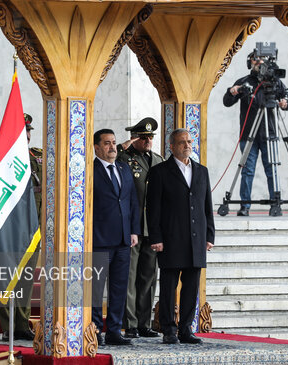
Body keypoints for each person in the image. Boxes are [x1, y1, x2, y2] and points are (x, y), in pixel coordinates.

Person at [0, 113, 42, 341]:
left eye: (28, 131)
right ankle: (9, 326)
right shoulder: (1, 155)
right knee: (7, 276)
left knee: (25, 278)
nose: (26, 136)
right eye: (21, 131)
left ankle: (22, 324)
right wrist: (2, 135)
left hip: (32, 228)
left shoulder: (38, 156)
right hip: (8, 225)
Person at [146, 129, 215, 344]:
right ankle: (168, 329)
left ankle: (186, 328)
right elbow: (153, 209)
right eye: (182, 142)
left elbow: (207, 206)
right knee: (168, 286)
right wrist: (155, 237)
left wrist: (209, 235)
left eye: (189, 141)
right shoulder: (160, 172)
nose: (187, 145)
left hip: (196, 239)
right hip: (170, 238)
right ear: (171, 146)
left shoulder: (201, 171)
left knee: (191, 286)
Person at [223, 48, 288, 216]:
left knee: (272, 169)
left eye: (262, 60)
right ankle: (244, 206)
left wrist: (285, 103)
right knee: (247, 170)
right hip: (248, 135)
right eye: (255, 59)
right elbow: (227, 101)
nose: (259, 63)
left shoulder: (275, 82)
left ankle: (275, 204)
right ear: (250, 62)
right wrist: (233, 91)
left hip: (270, 134)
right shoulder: (245, 81)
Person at [116, 117, 164, 339]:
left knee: (148, 277)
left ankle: (145, 323)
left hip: (152, 228)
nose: (148, 141)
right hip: (132, 227)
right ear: (135, 138)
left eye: (150, 137)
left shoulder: (158, 160)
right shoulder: (125, 158)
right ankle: (131, 323)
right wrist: (123, 145)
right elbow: (111, 158)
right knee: (129, 275)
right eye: (143, 137)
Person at [92, 129, 140, 346]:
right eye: (107, 143)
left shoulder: (123, 167)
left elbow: (132, 201)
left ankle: (113, 331)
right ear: (97, 147)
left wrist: (134, 230)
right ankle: (93, 331)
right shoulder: (90, 171)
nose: (112, 147)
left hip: (123, 239)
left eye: (113, 142)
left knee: (119, 288)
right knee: (95, 290)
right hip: (98, 240)